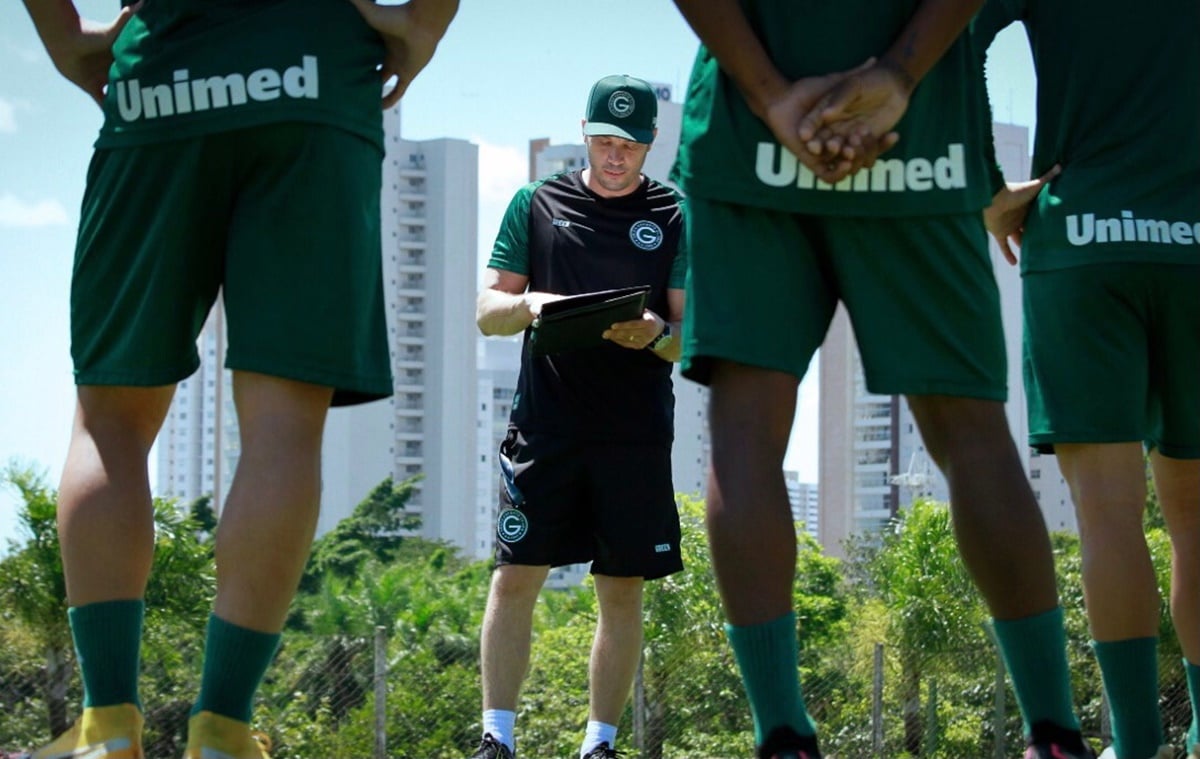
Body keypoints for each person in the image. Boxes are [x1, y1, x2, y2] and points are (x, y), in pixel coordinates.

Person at [16, 0, 458, 757]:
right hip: (314, 68)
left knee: (110, 420)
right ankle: (220, 728)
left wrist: (62, 35)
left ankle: (107, 728)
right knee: (284, 424)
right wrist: (425, 21)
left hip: (163, 80)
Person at [669, 2, 1092, 758]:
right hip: (920, 129)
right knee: (972, 437)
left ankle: (784, 739)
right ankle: (1055, 736)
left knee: (745, 433)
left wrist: (773, 97)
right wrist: (896, 75)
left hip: (750, 131)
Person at [974, 2, 1200, 758]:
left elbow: (950, 38)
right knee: (1197, 522)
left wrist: (984, 184)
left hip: (1083, 236)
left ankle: (1135, 745)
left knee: (1109, 518)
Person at [469, 74, 687, 759]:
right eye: (603, 140)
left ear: (651, 144)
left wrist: (652, 331)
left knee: (620, 588)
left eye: (630, 143)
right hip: (545, 426)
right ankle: (496, 737)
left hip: (634, 431)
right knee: (515, 576)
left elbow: (692, 336)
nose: (615, 155)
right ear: (585, 133)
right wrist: (531, 305)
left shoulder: (676, 215)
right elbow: (486, 311)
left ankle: (599, 745)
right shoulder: (536, 203)